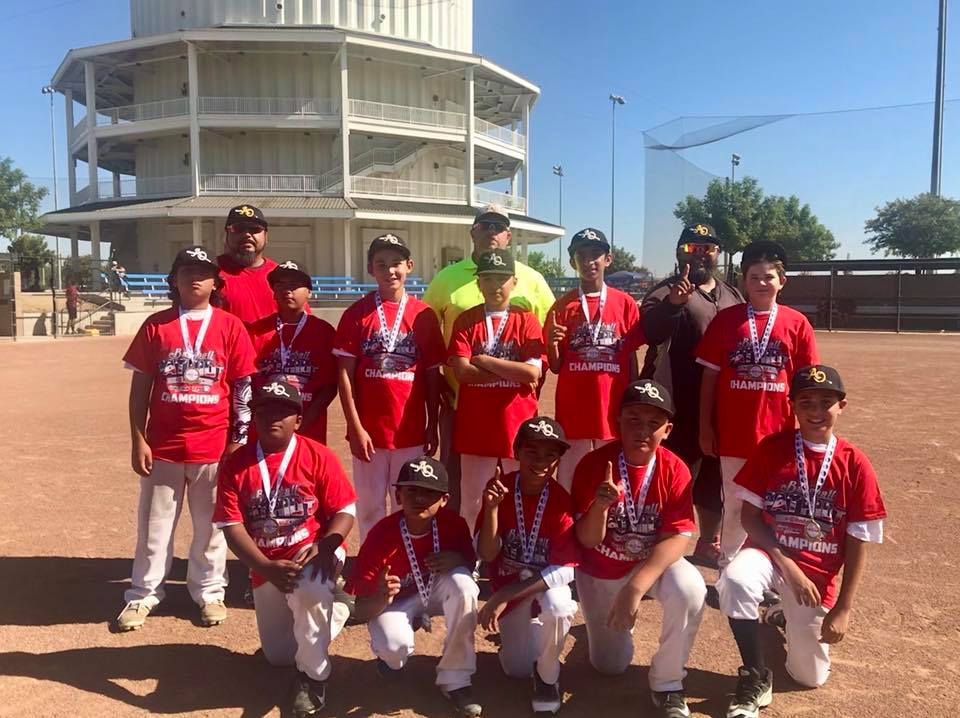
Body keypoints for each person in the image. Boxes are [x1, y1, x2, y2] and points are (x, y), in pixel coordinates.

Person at [716, 365, 886, 718]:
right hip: (771, 556)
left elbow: (859, 540)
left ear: (842, 406)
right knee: (735, 580)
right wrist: (788, 565)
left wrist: (843, 608)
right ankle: (755, 675)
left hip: (817, 576)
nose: (816, 411)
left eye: (826, 402)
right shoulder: (772, 449)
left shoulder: (854, 464)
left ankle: (782, 614)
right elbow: (750, 518)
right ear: (792, 405)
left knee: (810, 677)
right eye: (806, 402)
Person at [116, 246, 256, 631]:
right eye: (186, 271)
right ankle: (144, 593)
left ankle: (209, 591)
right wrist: (138, 438)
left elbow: (243, 388)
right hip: (163, 445)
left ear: (216, 283)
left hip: (214, 444)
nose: (195, 278)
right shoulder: (156, 325)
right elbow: (140, 389)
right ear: (173, 280)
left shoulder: (230, 326)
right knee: (154, 526)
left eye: (203, 272)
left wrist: (238, 438)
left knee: (211, 527)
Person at [214, 379, 357, 718]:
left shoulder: (317, 455)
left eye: (283, 412)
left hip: (313, 549)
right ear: (254, 417)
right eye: (264, 412)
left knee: (310, 589)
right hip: (266, 562)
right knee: (278, 656)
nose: (272, 419)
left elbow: (345, 511)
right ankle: (340, 608)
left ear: (298, 419)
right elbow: (231, 527)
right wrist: (264, 567)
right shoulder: (236, 464)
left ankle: (314, 679)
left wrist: (326, 546)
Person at [571, 379, 706, 718]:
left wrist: (634, 588)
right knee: (609, 666)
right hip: (601, 568)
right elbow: (586, 540)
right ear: (617, 420)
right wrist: (600, 507)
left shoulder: (675, 468)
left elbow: (678, 536)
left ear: (668, 430)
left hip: (647, 565)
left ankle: (668, 683)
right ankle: (595, 629)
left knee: (690, 588)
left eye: (653, 422)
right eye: (633, 419)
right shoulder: (593, 464)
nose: (643, 430)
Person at [423, 204, 555, 511]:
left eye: (498, 227)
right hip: (462, 403)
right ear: (473, 232)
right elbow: (428, 329)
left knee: (517, 486)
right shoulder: (447, 278)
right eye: (485, 226)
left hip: (517, 406)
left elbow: (548, 334)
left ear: (509, 235)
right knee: (463, 486)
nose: (492, 232)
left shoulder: (532, 279)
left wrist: (483, 361)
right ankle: (463, 537)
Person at [696, 241, 819, 565]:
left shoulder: (797, 323)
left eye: (769, 277)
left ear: (782, 281)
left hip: (779, 435)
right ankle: (729, 568)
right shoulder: (726, 321)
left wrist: (806, 432)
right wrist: (705, 426)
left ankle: (771, 570)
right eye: (754, 277)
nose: (762, 283)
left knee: (776, 504)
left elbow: (807, 386)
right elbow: (709, 379)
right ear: (743, 281)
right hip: (734, 434)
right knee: (735, 504)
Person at [637, 223, 743, 567]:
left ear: (717, 253)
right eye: (691, 247)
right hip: (675, 402)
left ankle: (709, 541)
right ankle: (659, 543)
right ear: (679, 252)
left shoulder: (731, 294)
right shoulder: (664, 290)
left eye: (707, 248)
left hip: (721, 402)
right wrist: (673, 305)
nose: (700, 254)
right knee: (673, 477)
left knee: (713, 478)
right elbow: (650, 332)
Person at [346, 456, 481, 718]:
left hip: (436, 588)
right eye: (412, 491)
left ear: (444, 499)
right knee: (393, 649)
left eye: (429, 493)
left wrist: (459, 559)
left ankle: (456, 679)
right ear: (398, 496)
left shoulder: (454, 524)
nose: (419, 498)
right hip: (397, 600)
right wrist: (379, 596)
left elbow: (470, 562)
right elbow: (360, 609)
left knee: (465, 587)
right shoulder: (381, 534)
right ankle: (390, 662)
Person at [333, 234, 445, 540]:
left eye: (396, 263)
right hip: (369, 433)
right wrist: (355, 427)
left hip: (410, 431)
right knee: (369, 506)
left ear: (409, 266)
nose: (390, 271)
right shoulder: (356, 314)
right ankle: (372, 558)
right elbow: (344, 375)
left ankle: (401, 559)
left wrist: (432, 424)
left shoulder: (423, 315)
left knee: (406, 505)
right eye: (381, 264)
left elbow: (432, 376)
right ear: (370, 269)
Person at [475, 416, 579, 715]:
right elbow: (487, 554)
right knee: (516, 670)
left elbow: (565, 569)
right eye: (532, 452)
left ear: (558, 460)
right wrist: (492, 509)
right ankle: (535, 637)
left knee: (560, 605)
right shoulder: (500, 490)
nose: (541, 462)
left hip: (535, 589)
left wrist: (501, 596)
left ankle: (548, 677)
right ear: (516, 451)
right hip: (510, 589)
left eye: (550, 455)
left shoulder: (560, 499)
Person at [447, 249, 545, 528]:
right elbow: (463, 373)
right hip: (477, 427)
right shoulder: (466, 320)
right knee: (472, 501)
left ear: (514, 282)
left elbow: (532, 372)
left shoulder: (526, 320)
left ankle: (515, 550)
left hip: (517, 426)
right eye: (487, 278)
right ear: (478, 283)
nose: (495, 285)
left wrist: (484, 360)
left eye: (502, 278)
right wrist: (512, 370)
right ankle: (471, 549)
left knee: (519, 500)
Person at [545, 228, 641, 491]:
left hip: (612, 410)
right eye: (582, 255)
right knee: (569, 482)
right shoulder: (562, 306)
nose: (589, 261)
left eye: (596, 254)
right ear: (572, 262)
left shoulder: (625, 304)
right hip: (574, 411)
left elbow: (631, 356)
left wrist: (631, 400)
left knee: (613, 481)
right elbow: (555, 366)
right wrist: (551, 343)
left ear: (608, 259)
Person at [248, 260, 338, 443]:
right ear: (273, 292)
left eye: (294, 285)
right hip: (264, 427)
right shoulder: (256, 331)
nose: (287, 290)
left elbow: (329, 387)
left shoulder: (323, 332)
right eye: (280, 285)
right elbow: (247, 383)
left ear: (309, 292)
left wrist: (303, 423)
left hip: (308, 429)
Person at [217, 204, 282, 326]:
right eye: (238, 228)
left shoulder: (282, 275)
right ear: (226, 235)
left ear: (266, 236)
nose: (247, 234)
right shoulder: (210, 273)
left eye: (255, 229)